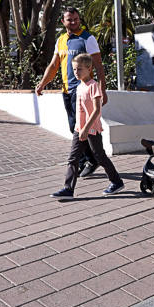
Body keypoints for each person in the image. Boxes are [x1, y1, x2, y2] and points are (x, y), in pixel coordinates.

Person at [36, 8, 105, 177]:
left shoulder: (87, 38)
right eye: (70, 19)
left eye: (76, 19)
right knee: (73, 127)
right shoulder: (61, 40)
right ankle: (86, 160)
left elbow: (98, 65)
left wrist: (102, 90)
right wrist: (42, 84)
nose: (73, 22)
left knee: (82, 128)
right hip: (67, 90)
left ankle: (91, 160)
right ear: (63, 22)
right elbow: (53, 66)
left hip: (83, 90)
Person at [52, 53, 124, 199]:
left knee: (99, 156)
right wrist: (80, 128)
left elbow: (97, 110)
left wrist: (86, 129)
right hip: (80, 129)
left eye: (79, 69)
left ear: (89, 68)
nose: (76, 72)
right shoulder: (80, 86)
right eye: (74, 69)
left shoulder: (93, 86)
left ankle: (116, 182)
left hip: (91, 129)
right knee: (73, 158)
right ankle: (68, 189)